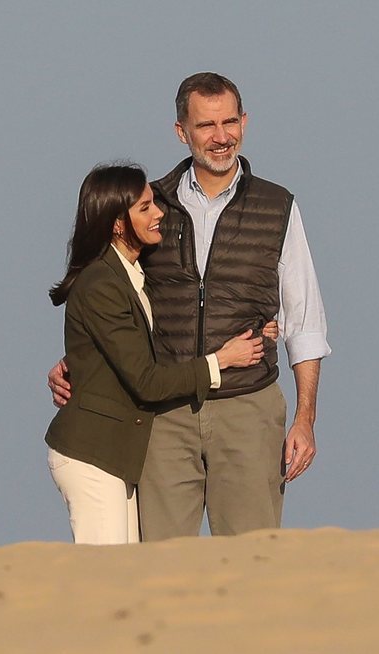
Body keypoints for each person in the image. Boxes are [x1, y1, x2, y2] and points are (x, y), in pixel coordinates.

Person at [49, 73, 331, 540]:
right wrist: (75, 360)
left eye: (229, 122)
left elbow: (305, 321)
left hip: (248, 408)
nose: (221, 137)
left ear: (245, 121)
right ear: (182, 131)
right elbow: (113, 294)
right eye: (206, 125)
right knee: (160, 564)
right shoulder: (151, 206)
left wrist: (305, 420)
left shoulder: (277, 206)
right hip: (163, 417)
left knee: (252, 559)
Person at [45, 163, 268, 545]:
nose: (159, 213)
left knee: (127, 574)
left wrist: (263, 323)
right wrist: (222, 361)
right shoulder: (101, 283)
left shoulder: (132, 274)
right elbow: (146, 380)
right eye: (145, 207)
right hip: (93, 454)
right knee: (107, 577)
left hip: (117, 457)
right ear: (117, 223)